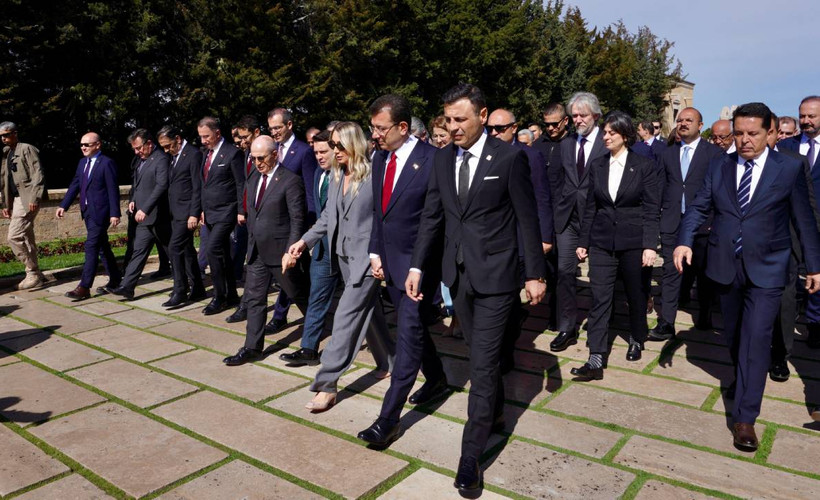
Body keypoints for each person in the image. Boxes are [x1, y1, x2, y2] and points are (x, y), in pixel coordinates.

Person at [406, 83, 546, 494]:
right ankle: (497, 412)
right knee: (478, 354)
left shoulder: (510, 157)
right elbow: (432, 216)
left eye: (460, 119)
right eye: (447, 120)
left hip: (498, 277)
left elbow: (527, 219)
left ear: (482, 117)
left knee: (482, 365)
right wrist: (418, 266)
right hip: (458, 274)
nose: (452, 128)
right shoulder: (441, 160)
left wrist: (534, 273)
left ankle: (470, 457)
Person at [674, 102, 820, 452]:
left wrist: (814, 265)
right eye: (739, 133)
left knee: (756, 339)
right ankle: (743, 382)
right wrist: (684, 241)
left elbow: (804, 218)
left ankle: (744, 417)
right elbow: (698, 206)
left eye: (752, 133)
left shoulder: (789, 168)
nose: (744, 140)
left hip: (769, 268)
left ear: (770, 132)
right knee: (736, 337)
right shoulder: (719, 166)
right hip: (726, 267)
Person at [356, 94, 446, 448]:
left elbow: (432, 220)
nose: (373, 135)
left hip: (419, 269)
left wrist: (416, 266)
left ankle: (388, 420)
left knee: (407, 337)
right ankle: (437, 379)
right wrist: (375, 251)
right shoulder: (380, 157)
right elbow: (380, 212)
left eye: (380, 128)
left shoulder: (432, 160)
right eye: (372, 127)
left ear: (403, 127)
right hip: (389, 266)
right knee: (417, 326)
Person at [287, 122, 395, 412]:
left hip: (367, 261)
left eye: (339, 146)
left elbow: (385, 219)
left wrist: (381, 255)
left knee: (346, 318)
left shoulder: (376, 174)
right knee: (370, 313)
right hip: (342, 257)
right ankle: (391, 363)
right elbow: (326, 218)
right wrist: (304, 242)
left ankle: (326, 383)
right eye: (332, 146)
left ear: (355, 144)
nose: (334, 151)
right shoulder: (336, 175)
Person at [572, 111, 659, 379]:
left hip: (634, 242)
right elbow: (590, 208)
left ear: (625, 135)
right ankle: (596, 356)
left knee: (635, 293)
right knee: (600, 298)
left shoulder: (643, 166)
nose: (606, 137)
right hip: (601, 243)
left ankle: (636, 336)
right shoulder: (597, 166)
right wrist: (583, 241)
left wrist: (649, 245)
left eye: (611, 132)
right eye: (605, 132)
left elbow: (651, 209)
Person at [223, 136, 311, 366]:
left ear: (275, 155)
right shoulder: (253, 179)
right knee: (254, 299)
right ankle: (252, 347)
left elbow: (297, 220)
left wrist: (291, 251)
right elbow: (253, 212)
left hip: (282, 253)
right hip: (257, 252)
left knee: (301, 296)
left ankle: (317, 338)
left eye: (261, 158)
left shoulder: (290, 181)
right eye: (253, 158)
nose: (257, 162)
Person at [649, 107, 725, 341]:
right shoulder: (667, 153)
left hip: (703, 223)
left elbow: (720, 191)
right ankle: (667, 322)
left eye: (688, 120)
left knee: (703, 272)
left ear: (700, 125)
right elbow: (659, 187)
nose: (683, 123)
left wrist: (715, 221)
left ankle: (704, 313)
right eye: (680, 120)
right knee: (672, 272)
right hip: (672, 220)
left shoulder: (714, 154)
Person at [487, 108, 554, 373]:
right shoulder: (484, 156)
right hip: (493, 239)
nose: (494, 133)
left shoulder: (529, 155)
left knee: (512, 301)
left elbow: (541, 197)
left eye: (499, 128)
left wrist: (544, 237)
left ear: (514, 128)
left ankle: (507, 351)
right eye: (490, 128)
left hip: (520, 237)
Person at [551, 92, 608, 352]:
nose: (577, 120)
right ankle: (567, 326)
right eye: (574, 115)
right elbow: (558, 181)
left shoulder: (607, 143)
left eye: (582, 115)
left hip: (597, 219)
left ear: (595, 116)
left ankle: (599, 324)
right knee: (564, 272)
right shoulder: (565, 144)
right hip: (568, 219)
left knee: (599, 276)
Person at [278, 130, 339, 366]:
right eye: (316, 152)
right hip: (322, 247)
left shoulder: (346, 175)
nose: (320, 156)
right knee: (317, 296)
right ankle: (309, 349)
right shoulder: (317, 174)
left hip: (345, 249)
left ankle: (385, 356)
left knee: (366, 307)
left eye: (324, 152)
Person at [266, 108, 319, 333]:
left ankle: (281, 314)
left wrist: (310, 223)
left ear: (289, 125)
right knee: (291, 272)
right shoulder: (271, 150)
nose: (274, 132)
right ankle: (311, 313)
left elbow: (310, 189)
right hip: (277, 220)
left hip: (297, 221)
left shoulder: (304, 152)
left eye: (278, 127)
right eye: (271, 129)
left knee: (288, 270)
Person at [57, 133, 122, 300]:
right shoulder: (82, 163)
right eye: (81, 145)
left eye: (87, 144)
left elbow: (112, 189)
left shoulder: (107, 163)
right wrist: (63, 205)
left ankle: (84, 286)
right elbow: (75, 185)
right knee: (102, 246)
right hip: (87, 212)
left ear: (98, 145)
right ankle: (116, 279)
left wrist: (115, 213)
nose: (83, 147)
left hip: (101, 213)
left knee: (91, 246)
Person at [107, 129, 170, 300]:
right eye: (134, 149)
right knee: (138, 251)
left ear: (149, 143)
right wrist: (134, 199)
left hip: (159, 216)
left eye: (139, 148)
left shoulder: (161, 159)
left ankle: (192, 283)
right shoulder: (142, 160)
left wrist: (146, 208)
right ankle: (127, 286)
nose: (137, 152)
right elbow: (138, 183)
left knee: (176, 253)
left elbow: (161, 186)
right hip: (144, 218)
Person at [778, 96, 820, 348]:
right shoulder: (787, 148)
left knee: (816, 277)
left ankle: (814, 324)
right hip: (791, 226)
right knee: (789, 279)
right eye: (802, 116)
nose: (805, 121)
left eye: (811, 116)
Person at [193, 116, 245, 315]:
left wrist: (241, 210)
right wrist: (202, 209)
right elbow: (205, 184)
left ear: (217, 133)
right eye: (200, 137)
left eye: (206, 136)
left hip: (227, 211)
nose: (203, 140)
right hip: (210, 213)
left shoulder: (232, 154)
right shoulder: (205, 154)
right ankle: (231, 294)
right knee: (221, 253)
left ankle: (219, 296)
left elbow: (240, 184)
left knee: (213, 250)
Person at [156, 126, 206, 307]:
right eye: (163, 147)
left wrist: (194, 213)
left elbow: (196, 186)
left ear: (178, 138)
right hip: (175, 212)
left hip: (186, 213)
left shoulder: (193, 155)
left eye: (168, 146)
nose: (166, 150)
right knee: (187, 250)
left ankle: (180, 288)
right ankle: (198, 287)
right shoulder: (173, 157)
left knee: (175, 247)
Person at [532, 102, 569, 330]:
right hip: (541, 214)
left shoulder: (573, 145)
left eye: (555, 124)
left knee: (563, 270)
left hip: (564, 216)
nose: (551, 128)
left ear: (565, 121)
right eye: (547, 125)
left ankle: (559, 316)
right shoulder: (538, 145)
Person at [0, 122, 46, 290]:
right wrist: (6, 204)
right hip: (16, 200)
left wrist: (34, 197)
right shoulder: (7, 153)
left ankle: (32, 271)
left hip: (28, 198)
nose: (3, 138)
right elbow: (5, 181)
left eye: (6, 134)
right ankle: (35, 276)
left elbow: (38, 174)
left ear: (15, 134)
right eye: (1, 136)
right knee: (26, 237)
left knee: (13, 236)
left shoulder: (27, 149)